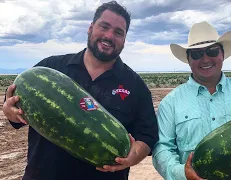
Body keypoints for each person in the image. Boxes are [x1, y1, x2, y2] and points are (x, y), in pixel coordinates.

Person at [2, 1, 158, 180]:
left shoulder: (135, 86)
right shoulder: (51, 67)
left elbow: (148, 135)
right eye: (104, 26)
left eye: (118, 32)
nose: (109, 35)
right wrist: (10, 111)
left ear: (124, 39)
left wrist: (134, 155)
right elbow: (15, 105)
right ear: (90, 28)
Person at [152, 21, 231, 180]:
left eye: (212, 51)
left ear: (222, 54)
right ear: (188, 59)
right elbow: (162, 148)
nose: (205, 59)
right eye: (197, 54)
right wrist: (181, 173)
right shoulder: (170, 103)